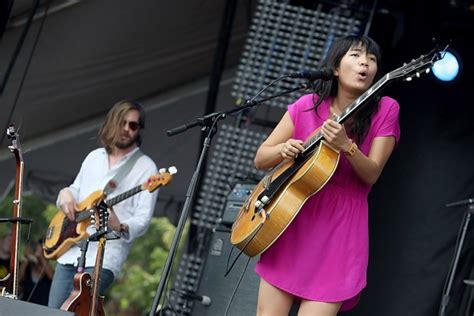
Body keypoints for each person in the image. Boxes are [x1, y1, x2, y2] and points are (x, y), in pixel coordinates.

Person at [253, 35, 400, 316]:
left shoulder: (386, 109)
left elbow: (372, 174)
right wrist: (284, 148)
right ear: (335, 67)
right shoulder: (307, 104)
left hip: (341, 230)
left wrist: (347, 147)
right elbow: (261, 157)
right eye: (356, 56)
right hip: (292, 219)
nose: (365, 63)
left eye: (372, 60)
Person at [48, 100, 159, 308]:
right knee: (52, 312)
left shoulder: (147, 168)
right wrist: (65, 193)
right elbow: (76, 189)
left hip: (104, 256)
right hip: (70, 252)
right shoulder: (94, 157)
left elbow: (143, 220)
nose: (126, 129)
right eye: (122, 123)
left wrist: (119, 224)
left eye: (133, 125)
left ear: (139, 129)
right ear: (112, 122)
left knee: (75, 311)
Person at [19, 239, 53, 305]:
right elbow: (19, 279)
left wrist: (40, 256)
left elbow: (52, 277)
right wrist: (28, 257)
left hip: (44, 307)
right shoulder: (26, 267)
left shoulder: (47, 268)